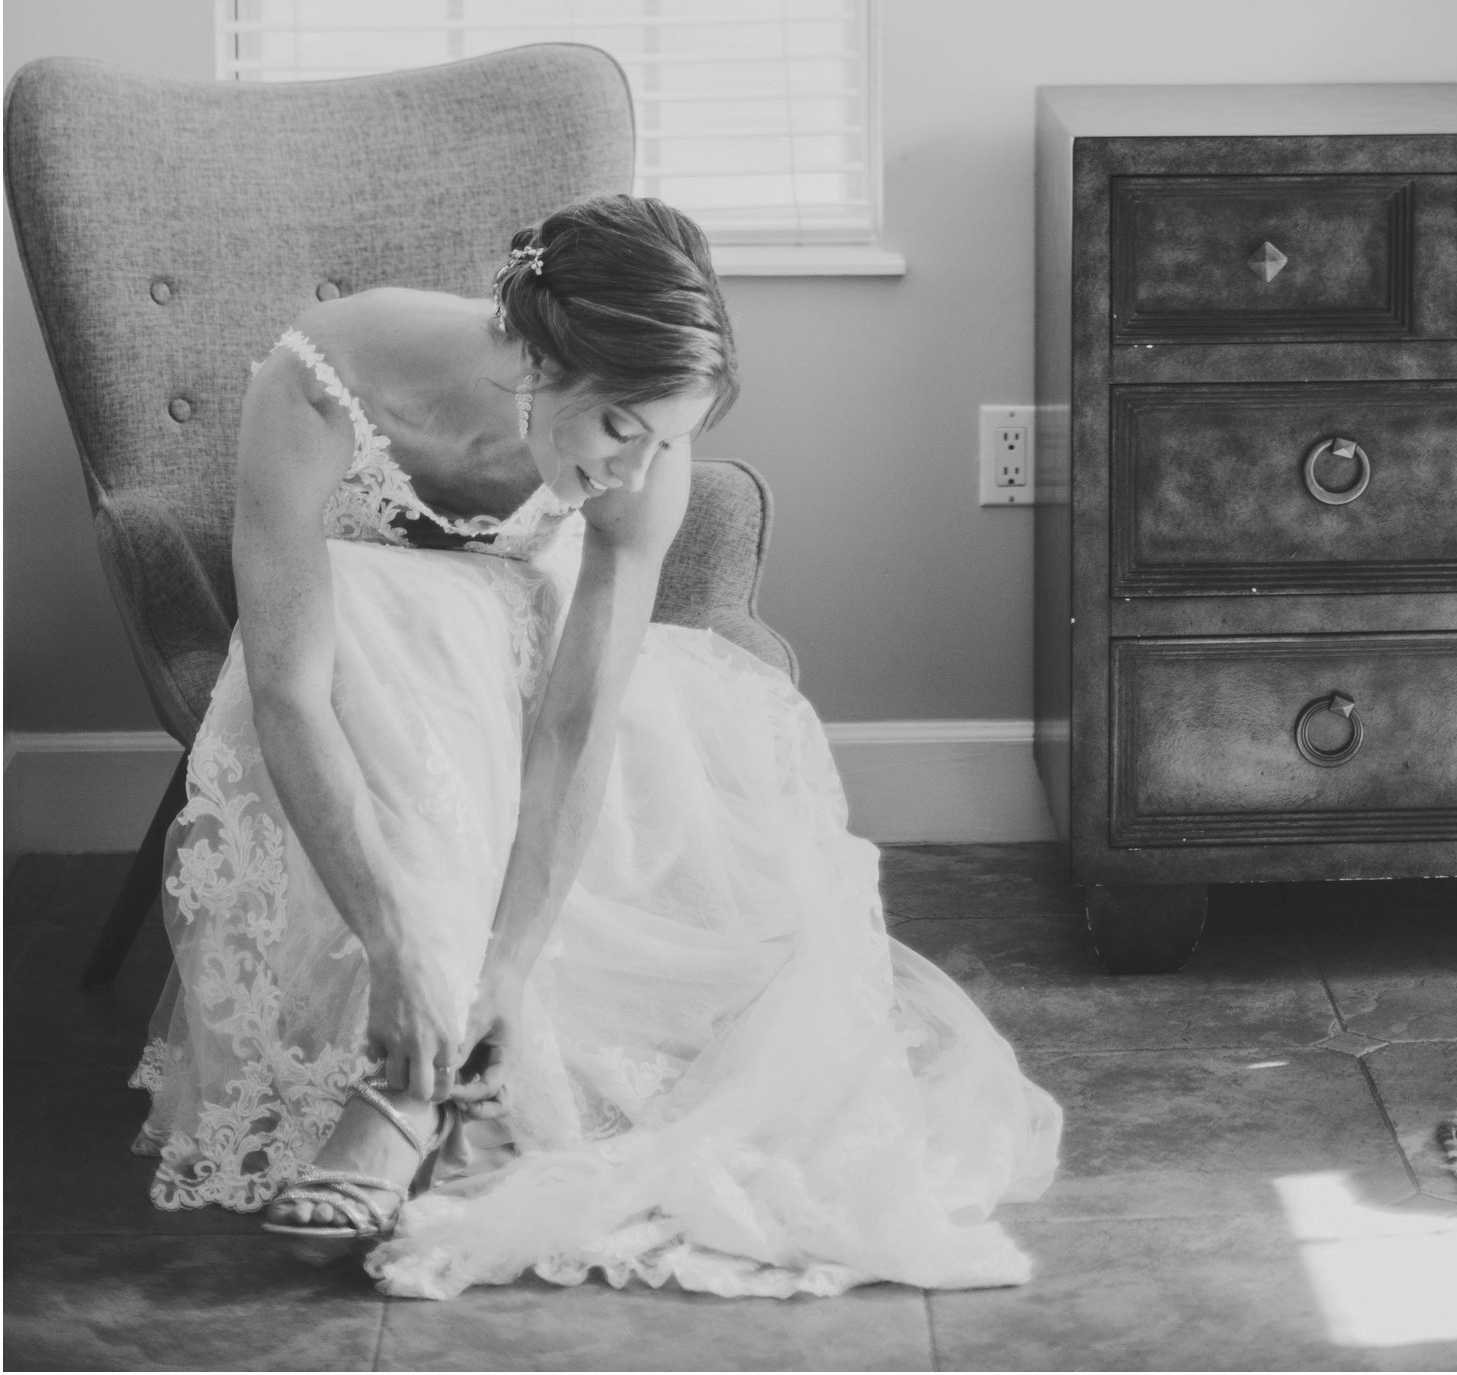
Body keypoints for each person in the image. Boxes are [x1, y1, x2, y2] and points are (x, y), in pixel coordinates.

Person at [133, 194, 1060, 1302]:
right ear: (533, 359)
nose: (633, 469)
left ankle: (421, 1087)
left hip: (527, 673)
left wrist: (511, 967)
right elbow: (287, 686)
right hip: (345, 679)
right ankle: (419, 1075)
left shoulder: (650, 464)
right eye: (619, 426)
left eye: (668, 437)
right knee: (389, 612)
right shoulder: (322, 375)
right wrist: (394, 949)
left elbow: (578, 721)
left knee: (514, 695)